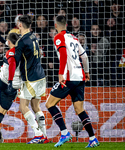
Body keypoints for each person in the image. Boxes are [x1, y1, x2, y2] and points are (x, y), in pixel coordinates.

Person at [45, 15, 99, 148]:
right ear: (67, 25)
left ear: (56, 25)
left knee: (49, 104)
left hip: (68, 77)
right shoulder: (74, 38)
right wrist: (86, 72)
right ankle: (92, 138)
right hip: (80, 77)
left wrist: (60, 74)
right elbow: (84, 56)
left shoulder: (58, 37)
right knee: (79, 109)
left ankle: (64, 133)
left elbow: (63, 55)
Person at [13, 15, 49, 144]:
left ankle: (38, 134)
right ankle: (44, 136)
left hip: (30, 79)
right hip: (41, 76)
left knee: (23, 107)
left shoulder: (21, 41)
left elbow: (15, 62)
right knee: (35, 106)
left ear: (20, 25)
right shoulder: (34, 37)